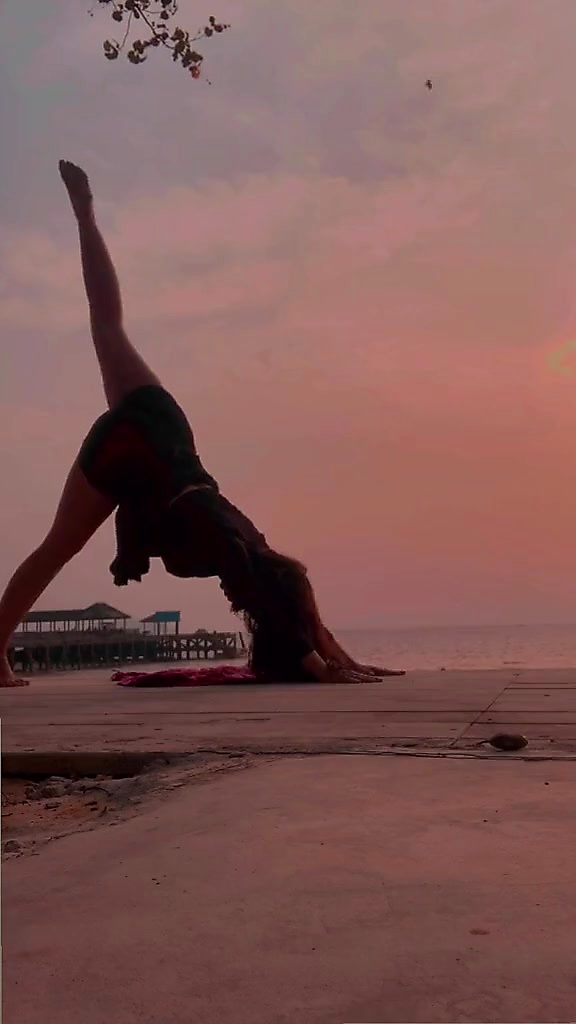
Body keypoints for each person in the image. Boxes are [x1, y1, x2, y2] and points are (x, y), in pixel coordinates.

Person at [0, 162, 405, 688]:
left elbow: (291, 602)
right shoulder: (236, 547)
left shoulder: (254, 542)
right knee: (59, 541)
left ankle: (84, 212)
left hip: (156, 428)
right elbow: (264, 593)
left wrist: (335, 657)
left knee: (105, 328)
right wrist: (317, 666)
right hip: (142, 450)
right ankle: (84, 211)